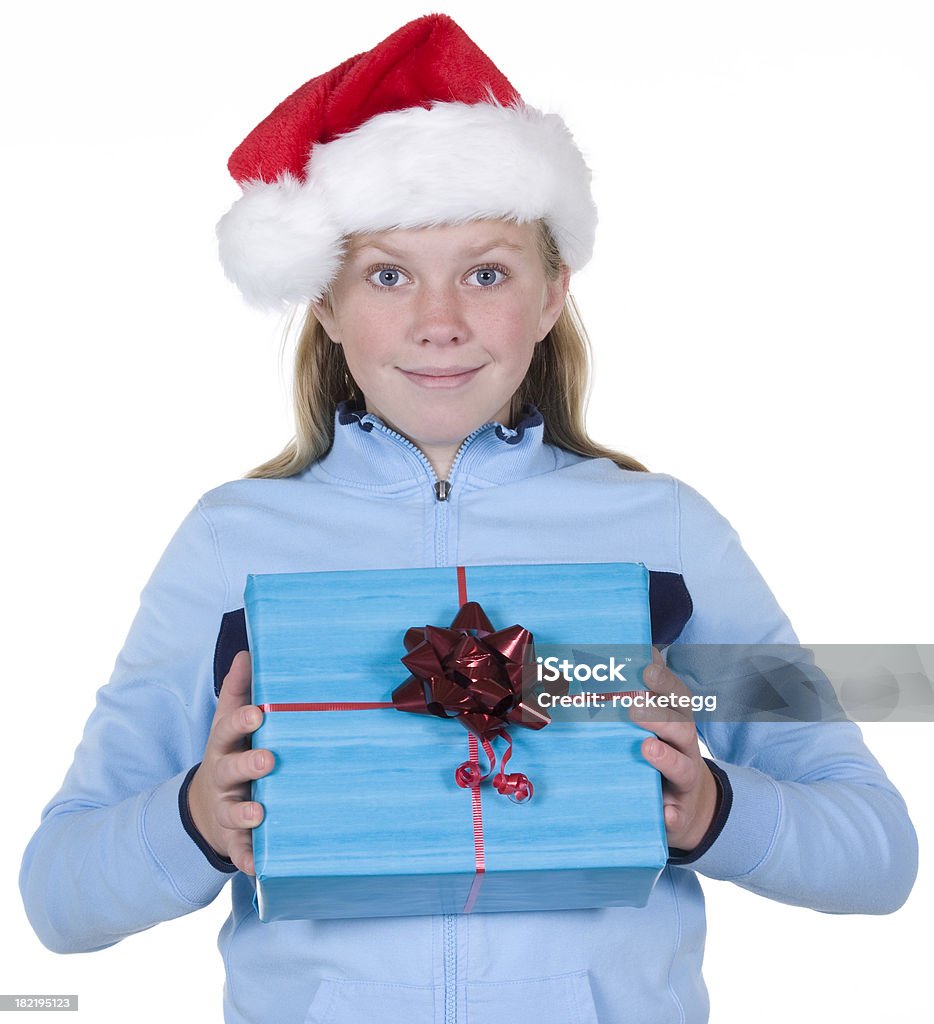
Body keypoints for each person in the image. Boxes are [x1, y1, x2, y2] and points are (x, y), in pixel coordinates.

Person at [19, 13, 917, 1024]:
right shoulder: (233, 542)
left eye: (485, 272)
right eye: (389, 274)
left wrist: (713, 811)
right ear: (323, 301)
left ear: (549, 296)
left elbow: (878, 852)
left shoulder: (664, 534)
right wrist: (191, 818)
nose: (438, 320)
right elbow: (57, 895)